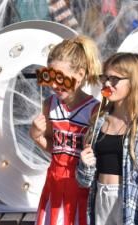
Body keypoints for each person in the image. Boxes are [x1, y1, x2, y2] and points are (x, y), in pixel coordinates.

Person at [76, 52, 138, 225]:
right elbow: (84, 181)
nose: (108, 84)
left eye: (115, 79)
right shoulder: (99, 120)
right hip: (100, 202)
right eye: (105, 78)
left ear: (133, 82)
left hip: (128, 205)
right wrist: (85, 165)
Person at [30, 35, 102, 225]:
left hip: (81, 188)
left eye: (60, 77)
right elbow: (55, 148)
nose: (54, 84)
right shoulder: (49, 104)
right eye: (51, 76)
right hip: (54, 185)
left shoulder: (95, 110)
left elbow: (98, 158)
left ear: (79, 74)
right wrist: (36, 136)